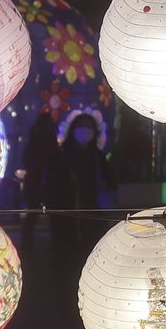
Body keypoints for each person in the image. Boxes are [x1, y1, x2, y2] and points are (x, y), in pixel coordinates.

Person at [47, 114, 117, 261]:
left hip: (92, 214)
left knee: (90, 254)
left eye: (89, 127)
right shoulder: (62, 154)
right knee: (67, 257)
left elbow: (110, 181)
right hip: (66, 214)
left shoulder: (97, 156)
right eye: (81, 126)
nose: (85, 131)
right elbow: (52, 185)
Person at [17, 110, 57, 244]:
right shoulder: (47, 139)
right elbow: (53, 158)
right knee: (43, 212)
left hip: (35, 179)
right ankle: (50, 241)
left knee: (32, 212)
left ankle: (27, 242)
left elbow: (27, 158)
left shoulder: (34, 139)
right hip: (42, 179)